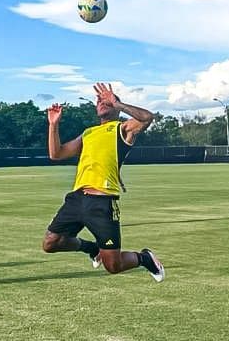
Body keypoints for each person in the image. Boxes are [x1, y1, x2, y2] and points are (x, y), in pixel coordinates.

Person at [42, 82, 164, 281]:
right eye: (99, 100)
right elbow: (56, 154)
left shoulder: (122, 129)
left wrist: (118, 104)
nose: (102, 102)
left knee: (113, 266)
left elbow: (147, 118)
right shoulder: (88, 133)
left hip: (103, 203)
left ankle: (144, 258)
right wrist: (53, 125)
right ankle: (91, 248)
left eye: (106, 99)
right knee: (51, 243)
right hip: (77, 199)